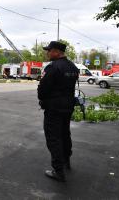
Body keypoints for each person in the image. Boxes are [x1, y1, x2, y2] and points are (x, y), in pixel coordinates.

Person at [38, 41, 79, 182]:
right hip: (68, 106)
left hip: (53, 107)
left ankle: (58, 170)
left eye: (49, 51)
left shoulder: (53, 67)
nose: (47, 53)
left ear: (56, 51)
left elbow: (43, 89)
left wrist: (42, 98)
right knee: (65, 133)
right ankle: (66, 160)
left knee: (53, 137)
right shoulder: (73, 66)